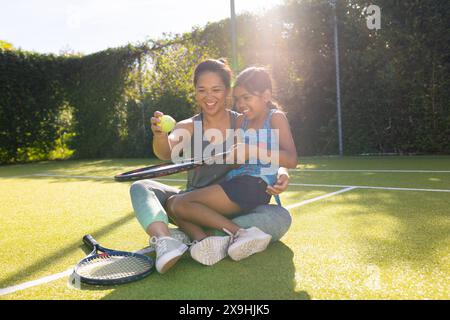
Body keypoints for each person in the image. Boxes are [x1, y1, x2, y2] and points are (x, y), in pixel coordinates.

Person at [130, 59, 293, 274]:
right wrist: (160, 134)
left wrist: (282, 172)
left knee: (281, 216)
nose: (209, 97)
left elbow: (267, 152)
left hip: (236, 203)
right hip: (193, 203)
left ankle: (196, 238)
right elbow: (166, 151)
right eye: (202, 90)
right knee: (141, 187)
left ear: (227, 91)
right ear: (195, 92)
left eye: (216, 89)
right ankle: (166, 240)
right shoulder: (187, 126)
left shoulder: (242, 121)